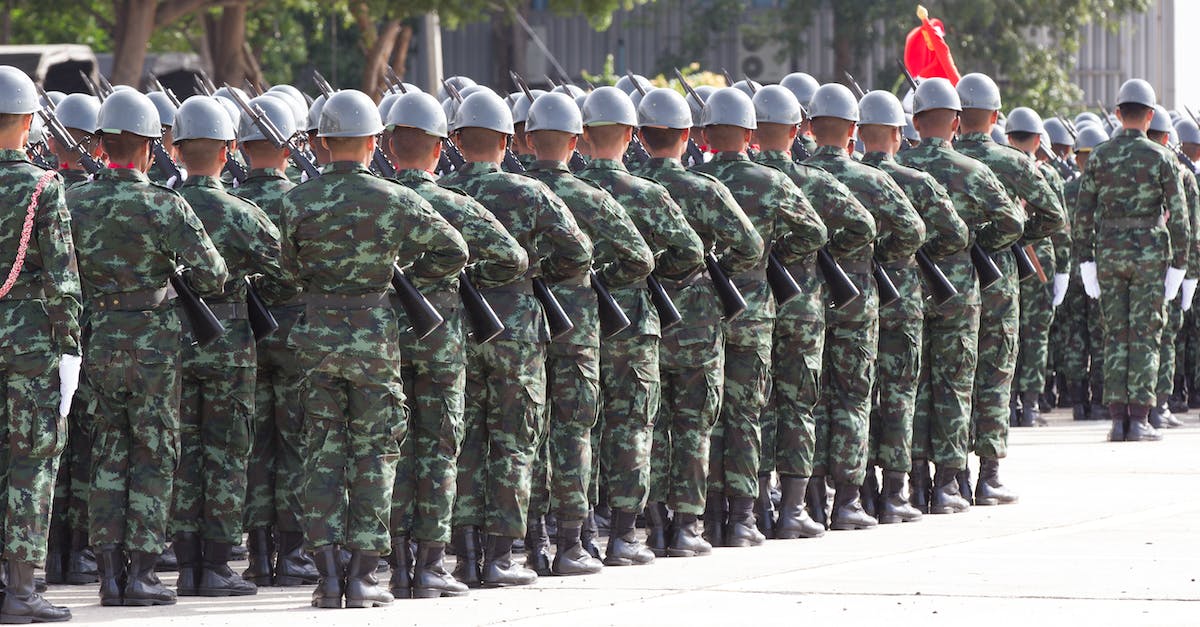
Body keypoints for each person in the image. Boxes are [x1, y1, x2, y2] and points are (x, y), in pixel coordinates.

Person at [278, 89, 467, 609]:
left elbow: (287, 268)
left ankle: (327, 577)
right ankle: (362, 577)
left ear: (322, 142)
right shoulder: (395, 198)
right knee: (375, 454)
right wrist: (399, 278)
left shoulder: (296, 200)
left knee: (322, 452)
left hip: (317, 335)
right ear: (373, 142)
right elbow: (454, 249)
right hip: (374, 338)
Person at [69, 88, 229, 607]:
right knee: (154, 453)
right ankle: (141, 574)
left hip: (99, 339)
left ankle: (109, 576)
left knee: (107, 452)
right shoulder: (165, 204)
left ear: (101, 145)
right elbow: (213, 274)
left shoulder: (76, 202)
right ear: (148, 147)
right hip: (155, 346)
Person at [440, 91, 592, 587]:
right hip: (518, 328)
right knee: (515, 440)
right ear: (508, 141)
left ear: (455, 140)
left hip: (458, 323)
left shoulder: (439, 193)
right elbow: (578, 253)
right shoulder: (531, 192)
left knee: (464, 439)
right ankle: (502, 557)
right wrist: (537, 269)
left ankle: (465, 556)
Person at [382, 91, 528, 598]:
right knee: (441, 449)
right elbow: (512, 259)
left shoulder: (378, 199)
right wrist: (459, 277)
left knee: (394, 450)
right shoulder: (453, 204)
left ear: (388, 147)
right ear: (440, 148)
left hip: (386, 341)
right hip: (441, 342)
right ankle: (431, 565)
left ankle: (398, 565)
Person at [521, 92, 654, 575]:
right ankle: (574, 543)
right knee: (574, 431)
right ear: (575, 142)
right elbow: (640, 258)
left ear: (528, 141)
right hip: (577, 327)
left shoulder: (511, 191)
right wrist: (597, 280)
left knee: (526, 434)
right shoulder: (589, 196)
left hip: (521, 326)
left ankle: (533, 543)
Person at [691, 88, 827, 546]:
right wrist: (772, 253)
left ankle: (710, 519)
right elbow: (814, 232)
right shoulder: (771, 181)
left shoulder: (695, 181)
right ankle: (747, 519)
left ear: (705, 135)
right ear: (750, 134)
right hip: (754, 310)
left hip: (704, 308)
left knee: (707, 414)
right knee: (748, 413)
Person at [576, 86, 705, 563]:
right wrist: (649, 276)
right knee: (632, 426)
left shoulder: (565, 192)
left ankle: (579, 533)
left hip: (577, 321)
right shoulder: (647, 194)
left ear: (583, 137)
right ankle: (624, 535)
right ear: (631, 136)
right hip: (632, 323)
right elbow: (690, 252)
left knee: (579, 427)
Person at [635, 88, 763, 556]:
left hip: (643, 319)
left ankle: (654, 525)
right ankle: (688, 527)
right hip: (698, 323)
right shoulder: (704, 190)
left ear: (640, 137)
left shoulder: (627, 188)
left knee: (648, 424)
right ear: (689, 136)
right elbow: (750, 246)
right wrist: (714, 269)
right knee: (693, 424)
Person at [168, 95, 287, 598]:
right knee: (226, 453)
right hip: (230, 346)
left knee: (181, 452)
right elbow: (287, 274)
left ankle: (185, 564)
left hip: (170, 342)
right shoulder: (242, 213)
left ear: (175, 151)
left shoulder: (163, 205)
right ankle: (216, 565)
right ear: (228, 150)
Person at [894, 78, 1024, 514]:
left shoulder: (897, 168)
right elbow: (1012, 222)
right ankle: (950, 483)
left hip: (910, 283)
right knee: (954, 382)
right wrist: (976, 242)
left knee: (913, 382)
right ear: (955, 122)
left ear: (914, 123)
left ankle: (914, 481)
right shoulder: (974, 171)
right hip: (959, 286)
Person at [751, 84, 876, 535]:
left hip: (752, 306)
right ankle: (796, 509)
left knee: (756, 407)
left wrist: (768, 254)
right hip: (803, 306)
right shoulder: (813, 180)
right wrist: (812, 256)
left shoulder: (734, 180)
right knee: (801, 405)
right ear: (796, 130)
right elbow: (861, 226)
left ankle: (756, 509)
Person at [803, 83, 924, 530]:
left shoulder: (798, 177)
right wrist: (874, 254)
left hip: (808, 296)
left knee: (812, 398)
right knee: (855, 397)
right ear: (852, 129)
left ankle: (812, 500)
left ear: (810, 128)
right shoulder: (871, 179)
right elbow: (912, 231)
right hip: (857, 295)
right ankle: (852, 500)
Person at [857, 89, 969, 524]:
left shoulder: (841, 178)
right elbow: (955, 234)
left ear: (859, 134)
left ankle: (860, 491)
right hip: (903, 297)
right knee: (900, 395)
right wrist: (907, 252)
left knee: (856, 395)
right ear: (898, 134)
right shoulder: (917, 182)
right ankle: (900, 491)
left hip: (854, 295)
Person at [953, 75, 1065, 504]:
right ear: (996, 117)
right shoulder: (1013, 161)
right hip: (998, 275)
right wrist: (1010, 238)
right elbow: (1052, 214)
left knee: (951, 370)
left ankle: (951, 475)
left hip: (950, 273)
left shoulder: (939, 159)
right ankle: (989, 476)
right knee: (996, 370)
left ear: (957, 118)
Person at [0, 65, 81, 623]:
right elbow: (63, 279)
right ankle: (22, 590)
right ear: (28, 121)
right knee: (30, 461)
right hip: (30, 343)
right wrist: (70, 348)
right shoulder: (41, 187)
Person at [233, 95, 318, 588]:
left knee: (255, 445)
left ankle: (259, 553)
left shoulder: (233, 201)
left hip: (241, 333)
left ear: (242, 148)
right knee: (296, 442)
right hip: (293, 334)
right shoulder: (301, 200)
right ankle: (294, 553)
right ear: (291, 148)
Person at [1074, 79, 1189, 442]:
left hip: (1109, 252)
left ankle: (1117, 420)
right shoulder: (1163, 158)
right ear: (1150, 116)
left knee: (1115, 335)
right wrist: (1180, 265)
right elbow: (1180, 218)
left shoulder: (1100, 156)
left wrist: (1086, 260)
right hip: (1150, 255)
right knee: (1145, 335)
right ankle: (1138, 419)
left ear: (1118, 113)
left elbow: (1083, 214)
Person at [43, 92, 104, 588]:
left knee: (47, 450)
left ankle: (46, 554)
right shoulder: (91, 196)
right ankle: (78, 551)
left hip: (42, 333)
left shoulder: (48, 192)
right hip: (95, 334)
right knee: (85, 446)